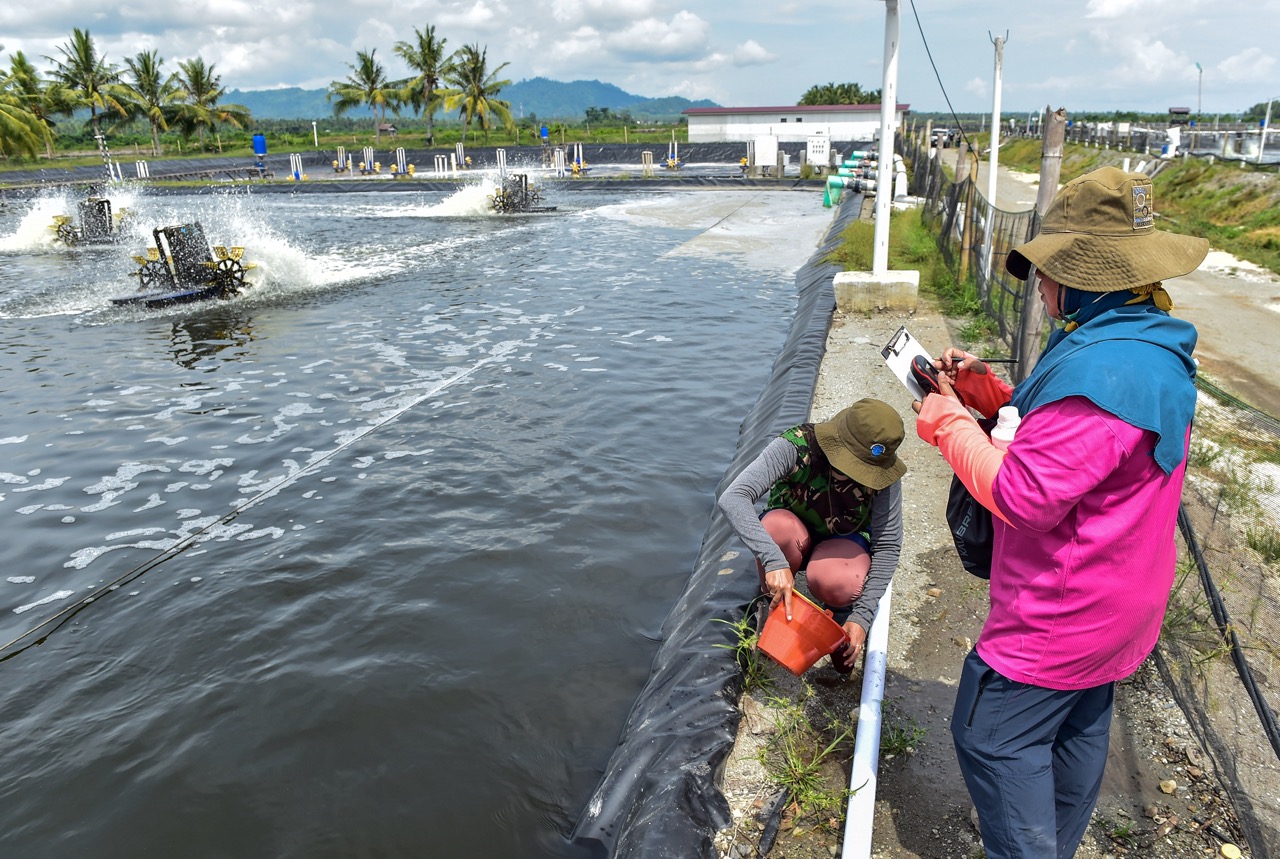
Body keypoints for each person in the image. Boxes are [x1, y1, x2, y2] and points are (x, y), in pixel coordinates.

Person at [913, 166, 1208, 858]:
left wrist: (949, 423)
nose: (1041, 285)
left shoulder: (1099, 375)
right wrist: (991, 394)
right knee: (1075, 722)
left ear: (1087, 276)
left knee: (989, 735)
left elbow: (1024, 492)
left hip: (1059, 617)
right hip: (1122, 607)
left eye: (1050, 270)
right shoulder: (1147, 342)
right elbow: (1081, 441)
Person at [718, 398, 906, 674]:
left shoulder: (884, 475)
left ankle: (839, 618)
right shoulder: (797, 444)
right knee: (777, 529)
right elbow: (733, 497)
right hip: (792, 535)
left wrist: (862, 616)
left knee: (838, 581)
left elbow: (888, 544)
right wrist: (773, 560)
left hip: (843, 542)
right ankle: (772, 603)